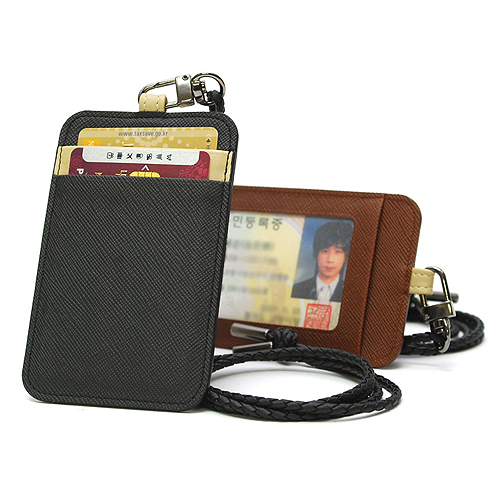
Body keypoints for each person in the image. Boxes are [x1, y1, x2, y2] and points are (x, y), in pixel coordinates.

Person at [291, 220, 352, 302]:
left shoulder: (351, 293)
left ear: (345, 256)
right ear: (316, 255)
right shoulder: (297, 289)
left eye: (338, 252)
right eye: (325, 251)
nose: (330, 260)